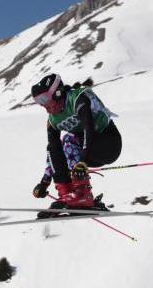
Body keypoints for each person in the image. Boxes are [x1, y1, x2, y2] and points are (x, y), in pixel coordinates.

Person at [30, 74, 122, 216]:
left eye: (44, 99)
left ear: (57, 93)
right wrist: (44, 182)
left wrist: (82, 162)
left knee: (69, 139)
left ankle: (82, 194)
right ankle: (67, 194)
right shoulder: (53, 120)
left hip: (108, 143)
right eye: (39, 101)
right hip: (86, 153)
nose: (43, 105)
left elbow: (88, 127)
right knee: (55, 146)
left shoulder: (77, 99)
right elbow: (53, 151)